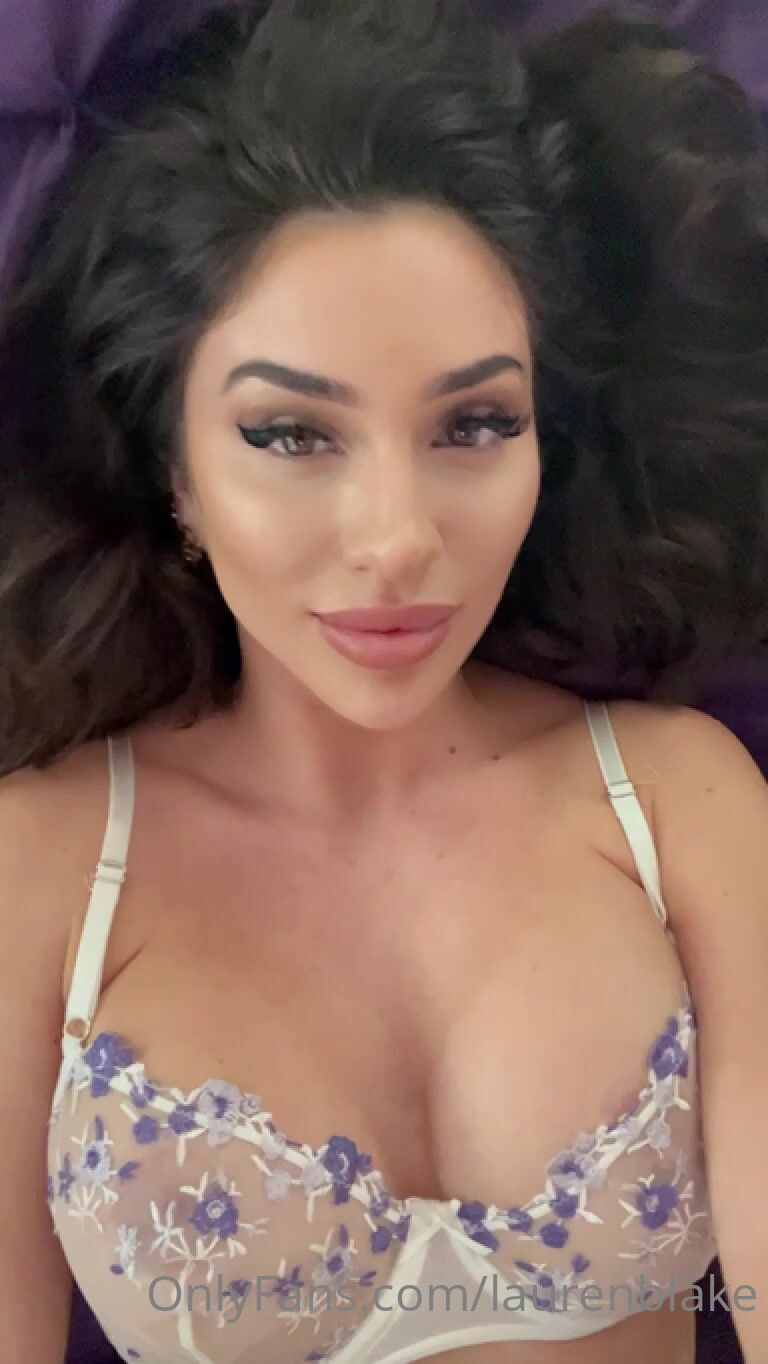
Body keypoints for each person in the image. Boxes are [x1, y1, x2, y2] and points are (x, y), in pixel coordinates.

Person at [1, 2, 767, 1362]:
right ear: (174, 469)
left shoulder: (678, 805)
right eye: (293, 434)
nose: (400, 538)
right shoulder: (45, 865)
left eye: (474, 423)